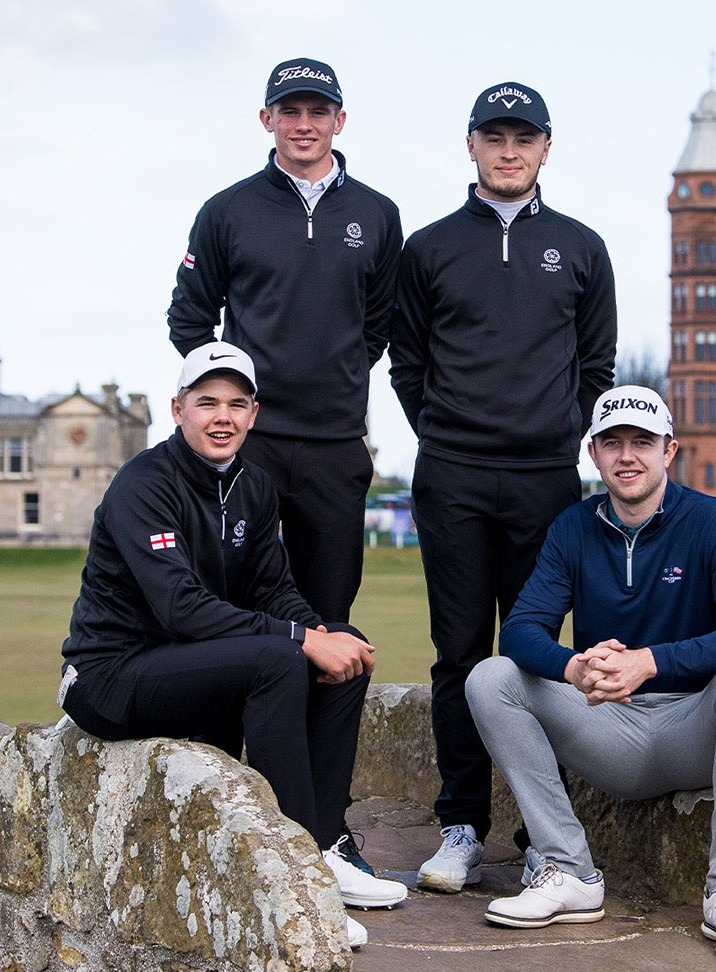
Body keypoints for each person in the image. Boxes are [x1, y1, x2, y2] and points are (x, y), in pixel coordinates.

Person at [56, 342, 407, 949]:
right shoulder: (143, 482)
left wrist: (322, 635)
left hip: (187, 665)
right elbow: (180, 607)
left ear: (253, 414)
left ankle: (322, 847)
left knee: (347, 647)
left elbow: (273, 589)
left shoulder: (254, 486)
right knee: (281, 656)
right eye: (207, 403)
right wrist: (301, 639)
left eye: (237, 404)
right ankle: (294, 880)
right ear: (178, 410)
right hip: (111, 676)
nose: (223, 417)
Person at [389, 80, 617, 892]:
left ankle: (538, 837)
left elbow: (596, 364)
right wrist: (446, 432)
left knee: (536, 657)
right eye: (495, 137)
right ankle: (460, 827)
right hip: (451, 476)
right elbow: (407, 363)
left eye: (524, 138)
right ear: (472, 145)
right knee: (458, 653)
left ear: (546, 148)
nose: (509, 151)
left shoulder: (581, 246)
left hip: (544, 482)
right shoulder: (429, 247)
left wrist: (553, 434)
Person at [465, 386, 716, 966]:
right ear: (593, 453)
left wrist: (649, 661)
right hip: (606, 726)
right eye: (612, 443)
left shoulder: (714, 521)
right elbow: (522, 630)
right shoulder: (573, 527)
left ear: (669, 450)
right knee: (490, 678)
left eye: (642, 442)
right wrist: (573, 667)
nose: (627, 456)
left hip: (692, 728)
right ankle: (569, 871)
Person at [167, 56, 402, 624]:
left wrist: (341, 375)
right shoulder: (227, 210)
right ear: (266, 119)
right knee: (230, 601)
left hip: (335, 441)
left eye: (317, 112)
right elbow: (189, 318)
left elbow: (379, 324)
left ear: (339, 120)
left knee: (329, 610)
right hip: (250, 441)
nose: (303, 124)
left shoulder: (377, 213)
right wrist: (229, 400)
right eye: (289, 111)